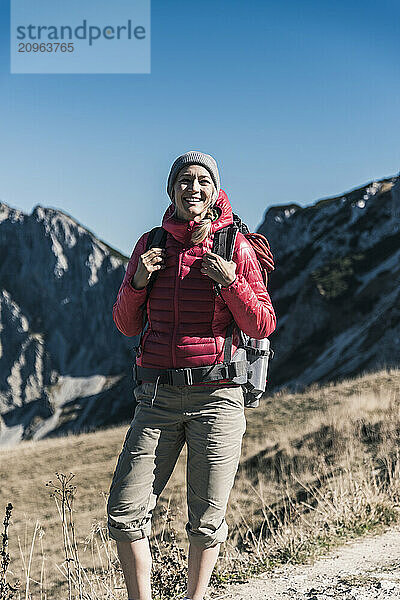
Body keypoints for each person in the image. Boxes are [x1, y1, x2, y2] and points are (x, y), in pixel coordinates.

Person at [107, 150, 276, 600]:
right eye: (184, 180)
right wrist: (137, 281)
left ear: (215, 190)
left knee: (205, 520)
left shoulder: (236, 246)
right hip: (156, 399)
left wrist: (231, 281)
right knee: (124, 514)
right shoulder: (150, 246)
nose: (193, 188)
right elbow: (125, 324)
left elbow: (262, 323)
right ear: (171, 190)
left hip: (218, 396)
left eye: (202, 180)